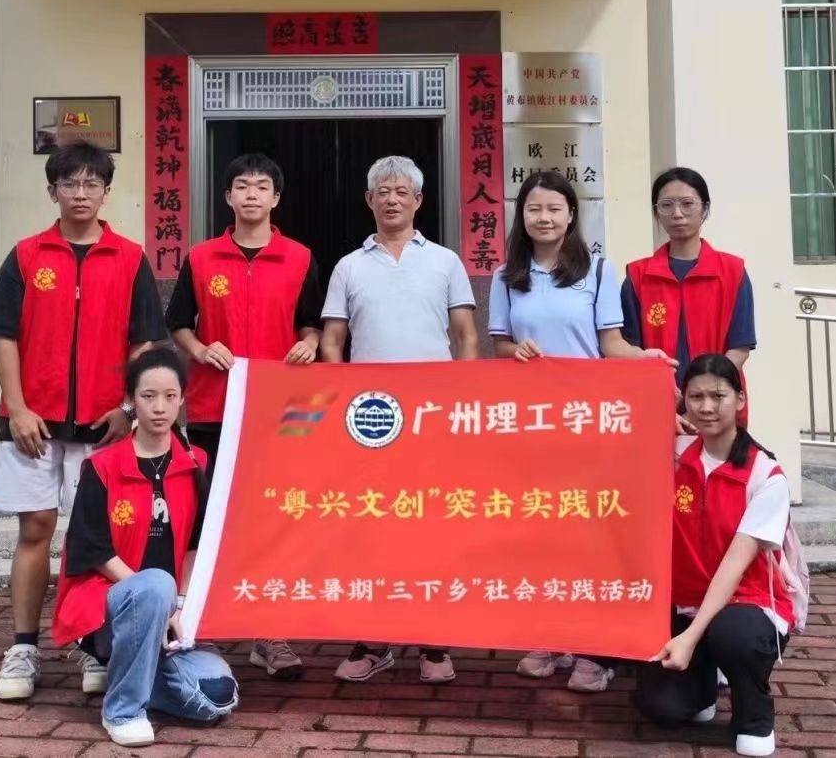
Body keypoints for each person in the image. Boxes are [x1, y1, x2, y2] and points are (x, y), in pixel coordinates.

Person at [0, 140, 166, 701]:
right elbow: (3, 335)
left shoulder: (129, 257)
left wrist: (127, 408)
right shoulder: (26, 255)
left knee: (96, 539)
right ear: (52, 190)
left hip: (104, 425)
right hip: (33, 424)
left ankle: (93, 643)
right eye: (69, 184)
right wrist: (17, 408)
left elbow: (144, 341)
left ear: (107, 192)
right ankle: (23, 646)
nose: (80, 194)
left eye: (91, 184)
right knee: (35, 529)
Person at [488, 170, 674, 692]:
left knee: (589, 533)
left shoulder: (598, 271)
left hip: (587, 422)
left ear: (571, 215)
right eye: (534, 209)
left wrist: (646, 359)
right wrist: (516, 351)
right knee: (540, 531)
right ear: (521, 216)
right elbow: (500, 345)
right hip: (531, 424)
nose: (544, 218)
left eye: (554, 209)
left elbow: (611, 345)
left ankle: (594, 648)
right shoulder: (507, 275)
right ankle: (548, 636)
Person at [320, 155, 478, 685]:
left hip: (434, 420)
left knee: (432, 528)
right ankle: (374, 640)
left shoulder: (445, 262)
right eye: (382, 191)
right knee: (372, 528)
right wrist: (342, 405)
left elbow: (466, 337)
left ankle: (434, 642)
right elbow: (333, 342)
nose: (392, 199)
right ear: (369, 201)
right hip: (372, 422)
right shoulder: (348, 266)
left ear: (418, 200)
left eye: (402, 191)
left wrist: (463, 404)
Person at [165, 153, 322, 680]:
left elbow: (313, 324)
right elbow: (177, 324)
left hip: (280, 409)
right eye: (242, 186)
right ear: (228, 197)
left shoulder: (299, 258)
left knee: (270, 518)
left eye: (261, 187)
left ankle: (267, 633)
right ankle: (195, 623)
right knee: (202, 518)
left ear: (276, 198)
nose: (251, 194)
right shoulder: (201, 258)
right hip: (213, 406)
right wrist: (200, 348)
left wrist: (309, 344)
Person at [51, 347, 238, 747]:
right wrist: (156, 598)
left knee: (217, 694)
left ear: (183, 399)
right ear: (132, 400)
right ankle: (122, 710)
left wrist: (180, 605)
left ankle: (135, 674)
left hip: (167, 613)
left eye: (170, 396)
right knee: (153, 585)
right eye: (148, 396)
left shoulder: (197, 463)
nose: (159, 407)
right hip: (108, 606)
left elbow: (195, 545)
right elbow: (93, 550)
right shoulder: (102, 466)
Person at [634, 354, 792, 758]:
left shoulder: (765, 476)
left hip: (746, 603)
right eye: (695, 397)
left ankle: (754, 717)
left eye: (718, 396)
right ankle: (702, 686)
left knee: (734, 635)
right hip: (682, 601)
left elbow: (735, 565)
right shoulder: (671, 456)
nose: (706, 407)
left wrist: (689, 637)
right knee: (663, 707)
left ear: (740, 400)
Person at [621, 167, 756, 415]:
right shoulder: (638, 276)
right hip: (656, 406)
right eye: (666, 205)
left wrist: (703, 400)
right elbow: (631, 351)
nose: (677, 214)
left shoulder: (733, 271)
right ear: (656, 212)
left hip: (717, 409)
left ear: (705, 209)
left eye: (687, 204)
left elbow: (740, 349)